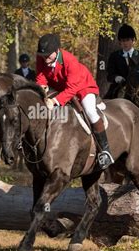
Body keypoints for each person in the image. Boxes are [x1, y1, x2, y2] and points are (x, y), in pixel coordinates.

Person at [36, 33, 113, 169]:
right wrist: (41, 89)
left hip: (82, 87)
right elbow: (41, 77)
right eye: (43, 56)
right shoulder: (42, 57)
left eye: (48, 55)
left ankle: (105, 151)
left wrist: (54, 101)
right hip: (59, 87)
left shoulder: (69, 60)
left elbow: (72, 88)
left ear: (57, 51)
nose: (45, 59)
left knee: (90, 111)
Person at [106, 24, 139, 127]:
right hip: (119, 89)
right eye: (122, 41)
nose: (125, 43)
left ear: (133, 40)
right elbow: (109, 75)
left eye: (127, 40)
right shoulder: (114, 56)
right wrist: (116, 77)